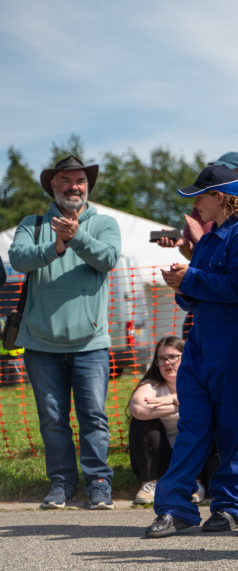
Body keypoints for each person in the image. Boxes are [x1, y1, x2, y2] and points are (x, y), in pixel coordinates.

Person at [145, 164, 238, 538]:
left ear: (220, 197)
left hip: (235, 342)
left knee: (234, 430)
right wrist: (180, 284)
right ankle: (175, 508)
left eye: (200, 196)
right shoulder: (209, 239)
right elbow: (194, 301)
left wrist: (190, 277)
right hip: (201, 341)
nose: (195, 204)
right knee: (192, 426)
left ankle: (228, 508)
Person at [8, 155, 121, 510]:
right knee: (53, 420)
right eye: (66, 181)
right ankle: (61, 482)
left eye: (81, 181)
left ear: (88, 187)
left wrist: (76, 237)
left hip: (91, 343)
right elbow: (19, 259)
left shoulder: (104, 223)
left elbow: (108, 259)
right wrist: (58, 244)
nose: (75, 186)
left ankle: (98, 482)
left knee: (93, 417)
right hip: (40, 344)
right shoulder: (33, 223)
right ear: (53, 187)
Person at [128, 336, 210, 505]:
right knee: (141, 422)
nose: (167, 362)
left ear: (186, 357)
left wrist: (173, 398)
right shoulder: (152, 386)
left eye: (173, 357)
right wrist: (180, 404)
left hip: (197, 459)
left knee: (201, 418)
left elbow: (210, 405)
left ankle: (195, 484)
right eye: (162, 358)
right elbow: (137, 408)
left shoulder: (202, 381)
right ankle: (150, 484)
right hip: (162, 459)